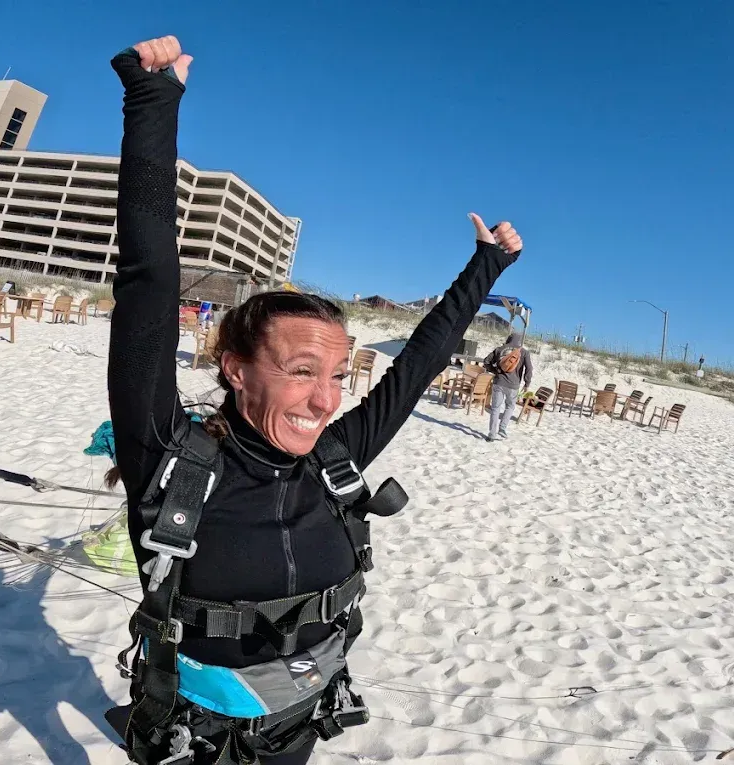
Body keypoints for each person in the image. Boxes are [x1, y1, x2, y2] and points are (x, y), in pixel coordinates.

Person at [106, 35, 523, 765]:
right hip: (196, 743)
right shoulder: (172, 460)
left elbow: (418, 364)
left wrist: (486, 266)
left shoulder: (335, 460)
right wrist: (152, 101)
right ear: (236, 369)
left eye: (336, 376)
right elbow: (149, 277)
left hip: (302, 725)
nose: (324, 399)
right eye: (302, 371)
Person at [482, 329, 533, 441]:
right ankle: (502, 428)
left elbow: (486, 362)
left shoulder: (499, 349)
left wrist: (495, 371)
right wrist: (527, 383)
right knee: (510, 406)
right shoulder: (524, 352)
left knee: (495, 408)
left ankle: (492, 434)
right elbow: (529, 369)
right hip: (513, 385)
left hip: (499, 382)